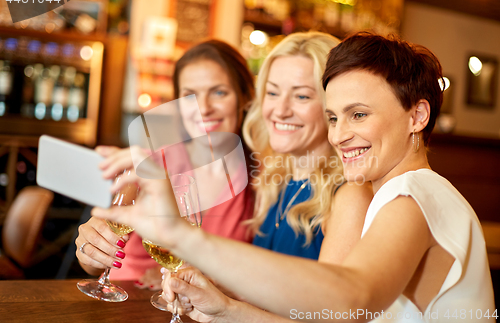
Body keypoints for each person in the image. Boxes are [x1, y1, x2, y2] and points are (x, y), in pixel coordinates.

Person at [95, 31, 496, 322]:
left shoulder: (413, 193)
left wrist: (184, 238)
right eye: (334, 117)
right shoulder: (389, 193)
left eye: (359, 114)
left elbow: (350, 300)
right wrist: (228, 309)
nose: (339, 133)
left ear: (417, 116)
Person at [75, 40, 256, 289]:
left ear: (245, 97)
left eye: (219, 92)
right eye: (189, 95)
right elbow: (95, 263)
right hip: (128, 298)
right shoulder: (150, 160)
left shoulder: (260, 176)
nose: (203, 108)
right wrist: (90, 247)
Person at [242, 31, 372, 260]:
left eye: (301, 97)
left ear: (333, 107)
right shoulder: (276, 181)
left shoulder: (350, 195)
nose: (280, 110)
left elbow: (330, 296)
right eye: (272, 92)